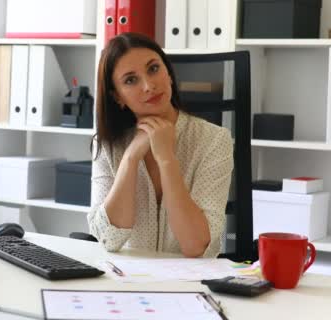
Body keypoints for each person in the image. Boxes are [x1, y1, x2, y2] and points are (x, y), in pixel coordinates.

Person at [87, 33, 233, 258]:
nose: (148, 85)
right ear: (118, 97)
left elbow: (195, 247)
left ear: (169, 74)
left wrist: (167, 159)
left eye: (153, 69)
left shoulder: (214, 140)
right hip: (125, 282)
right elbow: (109, 238)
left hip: (189, 285)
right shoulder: (108, 145)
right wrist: (130, 158)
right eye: (130, 80)